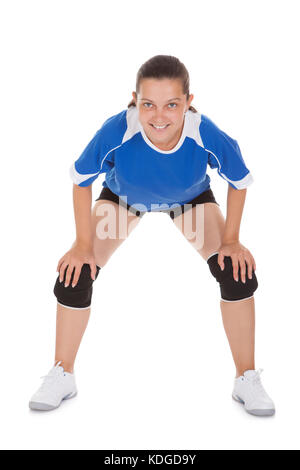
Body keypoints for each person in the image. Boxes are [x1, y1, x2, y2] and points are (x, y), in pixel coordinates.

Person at [29, 55, 275, 416]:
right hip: (125, 199)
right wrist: (82, 246)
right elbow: (81, 181)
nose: (159, 117)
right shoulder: (117, 130)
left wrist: (231, 240)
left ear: (189, 103)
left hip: (188, 200)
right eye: (149, 105)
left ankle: (246, 378)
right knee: (75, 274)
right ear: (135, 100)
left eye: (171, 105)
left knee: (235, 271)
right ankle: (62, 373)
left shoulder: (204, 131)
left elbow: (238, 182)